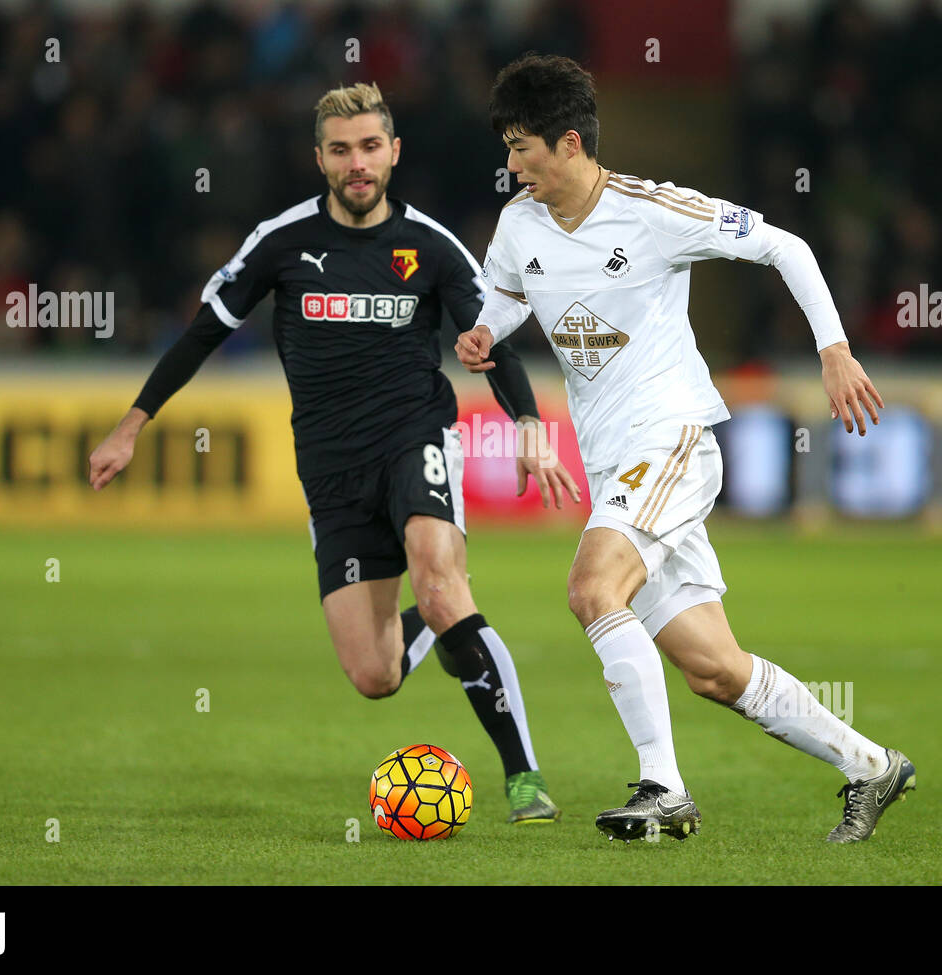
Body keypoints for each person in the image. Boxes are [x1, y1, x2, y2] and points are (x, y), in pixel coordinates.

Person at [90, 82, 580, 824]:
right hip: (330, 472)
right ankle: (448, 624)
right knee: (375, 674)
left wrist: (530, 426)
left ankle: (524, 777)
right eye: (343, 150)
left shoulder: (430, 246)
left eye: (371, 147)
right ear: (320, 158)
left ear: (394, 153)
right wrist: (132, 424)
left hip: (416, 437)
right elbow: (203, 333)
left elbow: (492, 341)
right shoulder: (282, 242)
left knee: (442, 580)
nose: (359, 163)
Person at [456, 55, 914, 842]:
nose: (511, 165)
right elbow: (506, 293)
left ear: (569, 143)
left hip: (670, 438)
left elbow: (786, 247)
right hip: (616, 462)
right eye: (506, 146)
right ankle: (871, 765)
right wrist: (486, 331)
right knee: (714, 668)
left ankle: (663, 787)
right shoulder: (520, 223)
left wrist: (834, 349)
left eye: (522, 147)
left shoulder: (654, 211)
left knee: (592, 586)